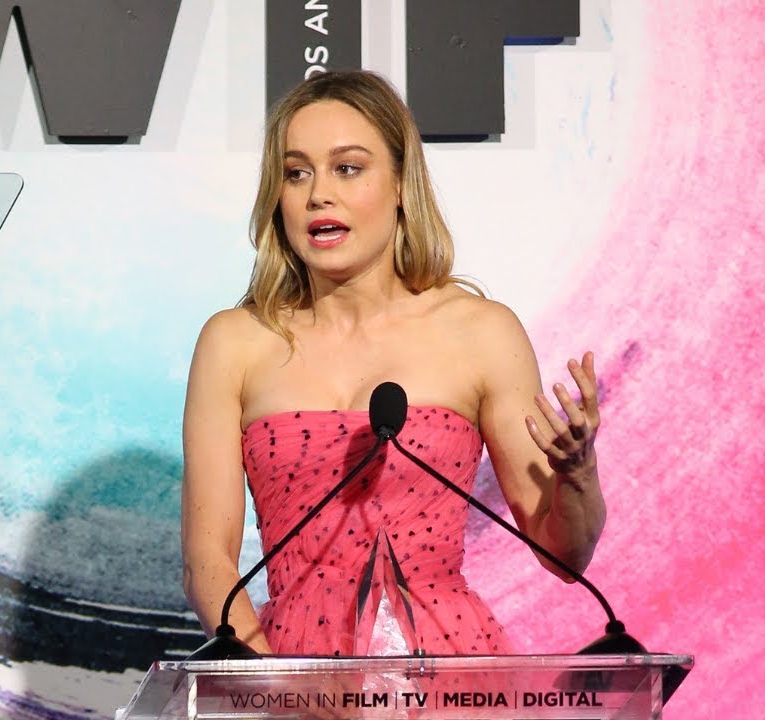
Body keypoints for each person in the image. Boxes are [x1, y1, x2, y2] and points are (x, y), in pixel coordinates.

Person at [181, 70, 605, 656]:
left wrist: (577, 473)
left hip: (451, 676)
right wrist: (271, 684)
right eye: (296, 173)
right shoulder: (234, 343)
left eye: (347, 168)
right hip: (292, 673)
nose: (318, 194)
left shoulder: (481, 333)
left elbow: (564, 555)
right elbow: (207, 560)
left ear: (402, 185)